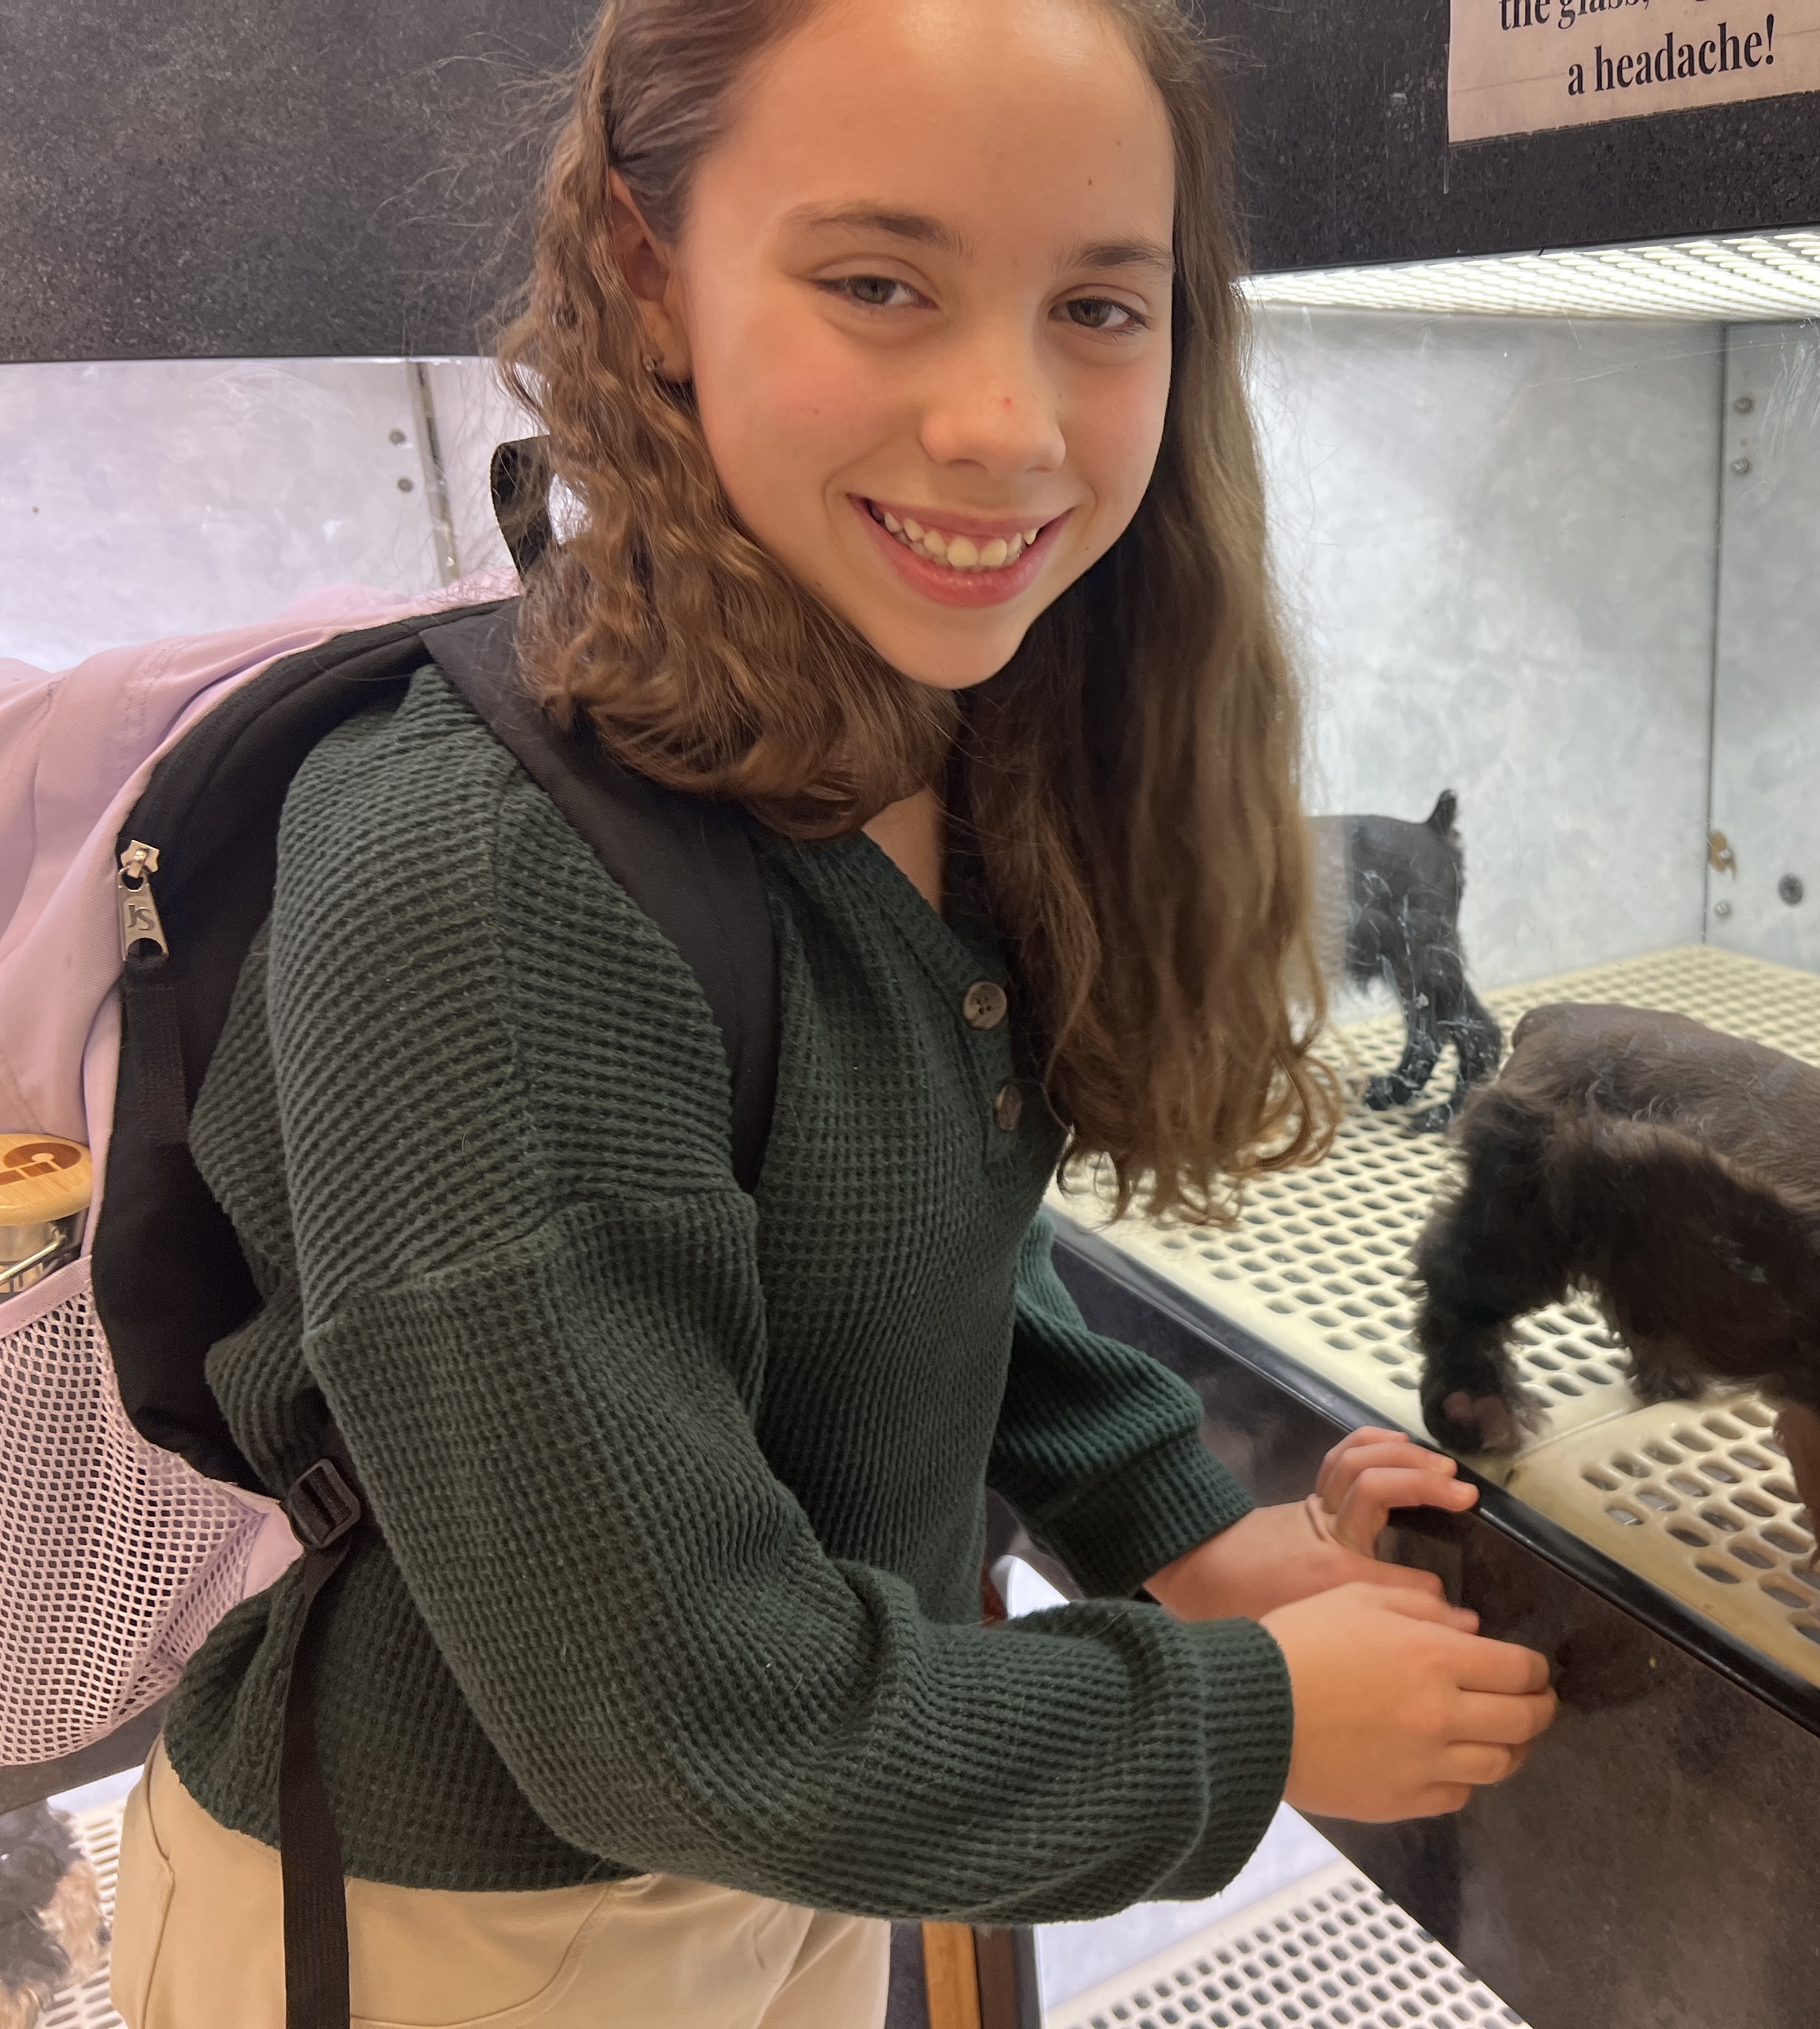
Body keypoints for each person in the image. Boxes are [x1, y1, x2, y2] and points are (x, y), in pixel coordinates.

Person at [107, 1, 1558, 2021]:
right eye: (879, 283)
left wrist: (1182, 1533)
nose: (1007, 426)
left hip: (814, 1848)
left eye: (1099, 308)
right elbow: (673, 1715)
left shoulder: (934, 735)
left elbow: (914, 1236)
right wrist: (1244, 1720)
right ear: (648, 268)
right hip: (476, 1920)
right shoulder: (478, 872)